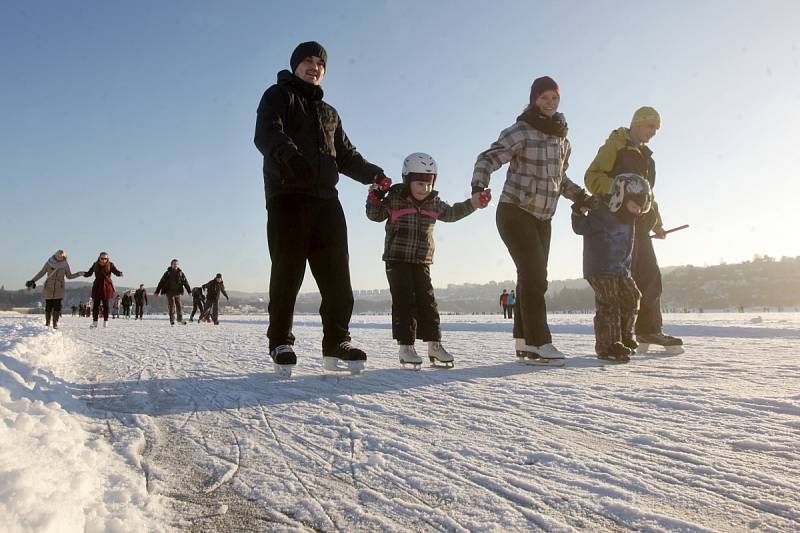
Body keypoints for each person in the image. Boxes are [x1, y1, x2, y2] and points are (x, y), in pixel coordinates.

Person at [254, 40, 389, 375]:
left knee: (337, 276)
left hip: (327, 200)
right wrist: (289, 156)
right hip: (287, 196)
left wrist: (373, 173)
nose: (314, 67)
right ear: (296, 65)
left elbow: (345, 155)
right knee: (288, 272)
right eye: (308, 61)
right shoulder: (278, 95)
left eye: (320, 63)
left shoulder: (329, 113)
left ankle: (337, 341)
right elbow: (266, 133)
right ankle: (281, 341)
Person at [470, 76, 589, 364]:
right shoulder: (521, 131)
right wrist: (478, 186)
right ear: (534, 99)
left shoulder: (563, 140)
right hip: (515, 211)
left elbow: (558, 179)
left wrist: (581, 197)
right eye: (544, 97)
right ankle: (540, 341)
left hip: (543, 217)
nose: (550, 103)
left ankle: (524, 342)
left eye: (554, 98)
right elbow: (487, 158)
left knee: (530, 277)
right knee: (536, 277)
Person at [366, 153, 487, 369]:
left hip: (422, 261)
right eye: (419, 183)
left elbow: (452, 213)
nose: (424, 189)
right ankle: (406, 347)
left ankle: (434, 345)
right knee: (404, 301)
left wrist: (473, 203)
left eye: (429, 184)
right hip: (397, 259)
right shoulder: (394, 198)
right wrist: (373, 197)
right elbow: (374, 215)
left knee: (427, 302)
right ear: (407, 180)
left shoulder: (434, 203)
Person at [584, 107, 683, 352]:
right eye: (650, 127)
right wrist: (620, 190)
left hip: (641, 227)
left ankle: (649, 330)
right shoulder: (615, 146)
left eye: (656, 129)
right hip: (616, 227)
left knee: (650, 277)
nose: (653, 133)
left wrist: (657, 223)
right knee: (619, 284)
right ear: (638, 123)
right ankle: (615, 339)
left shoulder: (648, 158)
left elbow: (649, 195)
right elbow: (592, 177)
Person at [572, 174, 653, 362]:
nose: (638, 211)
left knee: (633, 297)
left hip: (621, 268)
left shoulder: (631, 216)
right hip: (600, 267)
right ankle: (607, 344)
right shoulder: (601, 212)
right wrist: (578, 212)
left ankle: (624, 337)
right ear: (620, 198)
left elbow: (647, 222)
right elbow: (580, 227)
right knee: (610, 303)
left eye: (642, 208)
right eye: (635, 206)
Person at [25, 250, 85, 329]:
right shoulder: (49, 263)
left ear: (64, 257)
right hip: (48, 287)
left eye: (62, 257)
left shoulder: (65, 265)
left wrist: (78, 274)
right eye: (58, 256)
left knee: (57, 306)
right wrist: (33, 281)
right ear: (55, 255)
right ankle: (47, 322)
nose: (60, 258)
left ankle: (55, 323)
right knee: (48, 305)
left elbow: (69, 276)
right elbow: (41, 273)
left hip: (59, 288)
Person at [83, 252, 123, 328]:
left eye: (105, 258)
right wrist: (83, 274)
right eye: (102, 258)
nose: (104, 260)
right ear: (99, 258)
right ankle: (95, 322)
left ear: (107, 259)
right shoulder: (95, 264)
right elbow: (89, 273)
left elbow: (115, 271)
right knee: (96, 305)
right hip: (97, 286)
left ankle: (106, 321)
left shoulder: (110, 265)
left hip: (106, 286)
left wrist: (119, 273)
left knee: (106, 305)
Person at [154, 259, 191, 325]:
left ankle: (179, 320)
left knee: (179, 306)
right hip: (169, 292)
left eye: (176, 264)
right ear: (171, 265)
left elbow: (185, 282)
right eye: (174, 264)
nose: (175, 265)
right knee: (172, 306)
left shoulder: (180, 273)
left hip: (177, 292)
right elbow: (161, 282)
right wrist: (157, 291)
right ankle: (172, 320)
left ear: (178, 265)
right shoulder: (167, 273)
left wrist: (189, 291)